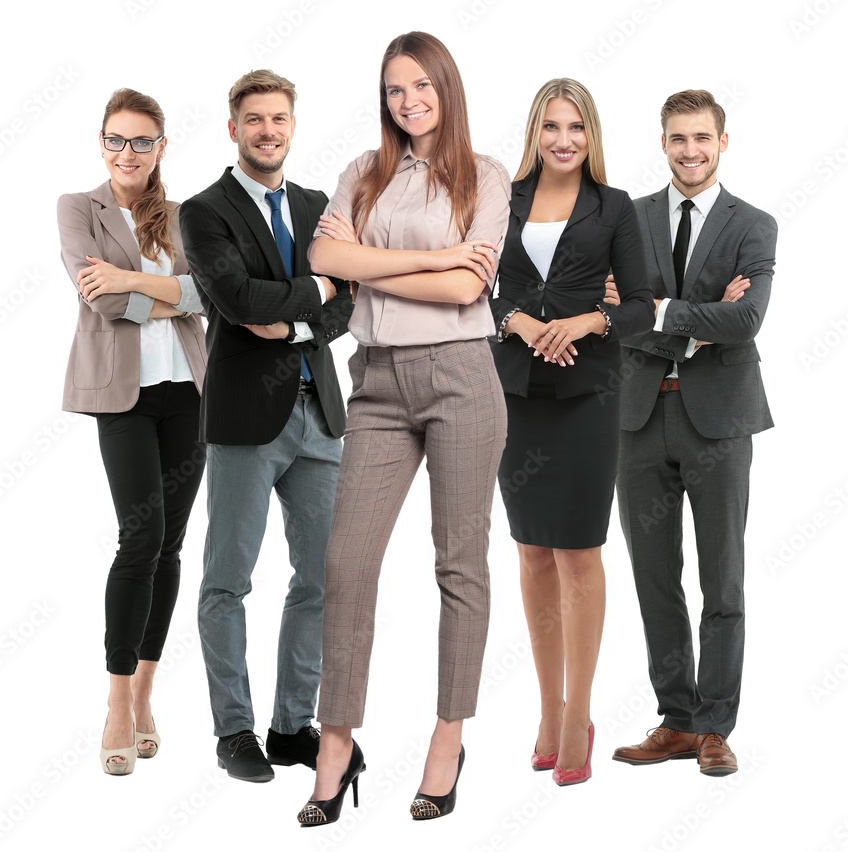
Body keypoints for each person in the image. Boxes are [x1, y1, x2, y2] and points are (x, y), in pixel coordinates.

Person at [295, 31, 511, 826]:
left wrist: (370, 262)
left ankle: (449, 736)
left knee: (459, 565)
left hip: (462, 378)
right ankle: (338, 742)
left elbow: (466, 288)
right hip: (378, 381)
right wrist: (428, 261)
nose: (407, 101)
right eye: (394, 89)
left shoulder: (484, 175)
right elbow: (323, 253)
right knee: (347, 565)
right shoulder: (363, 171)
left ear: (446, 88)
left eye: (420, 86)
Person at [178, 70, 353, 784]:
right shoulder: (204, 210)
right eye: (255, 120)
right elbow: (234, 296)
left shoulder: (318, 206)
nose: (268, 131)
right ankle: (234, 731)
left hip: (321, 417)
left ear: (292, 123)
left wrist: (290, 317)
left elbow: (351, 306)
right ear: (233, 129)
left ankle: (290, 727)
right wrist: (313, 294)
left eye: (279, 118)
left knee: (320, 580)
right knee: (229, 579)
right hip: (247, 421)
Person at [489, 78, 654, 787]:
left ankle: (581, 711)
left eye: (576, 128)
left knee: (578, 554)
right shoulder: (500, 199)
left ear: (591, 136)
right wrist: (522, 321)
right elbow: (477, 283)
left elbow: (643, 305)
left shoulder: (614, 208)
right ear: (535, 131)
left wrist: (586, 322)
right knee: (531, 553)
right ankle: (550, 710)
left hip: (588, 393)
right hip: (517, 393)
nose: (563, 140)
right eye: (552, 126)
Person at [608, 89, 777, 776]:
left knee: (723, 580)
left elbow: (747, 322)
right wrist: (696, 325)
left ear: (723, 142)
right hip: (638, 419)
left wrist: (659, 311)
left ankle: (715, 727)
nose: (690, 151)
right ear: (663, 142)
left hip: (720, 423)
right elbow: (612, 314)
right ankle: (676, 720)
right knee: (654, 578)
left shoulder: (753, 224)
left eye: (702, 138)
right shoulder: (628, 217)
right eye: (678, 138)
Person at [57, 88, 207, 775]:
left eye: (142, 141)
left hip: (191, 393)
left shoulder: (183, 216)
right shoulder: (77, 209)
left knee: (171, 544)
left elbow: (212, 297)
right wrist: (162, 292)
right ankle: (117, 701)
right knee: (139, 536)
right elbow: (104, 298)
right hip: (122, 397)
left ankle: (147, 691)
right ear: (102, 141)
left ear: (161, 147)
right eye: (116, 139)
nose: (128, 152)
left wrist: (153, 286)